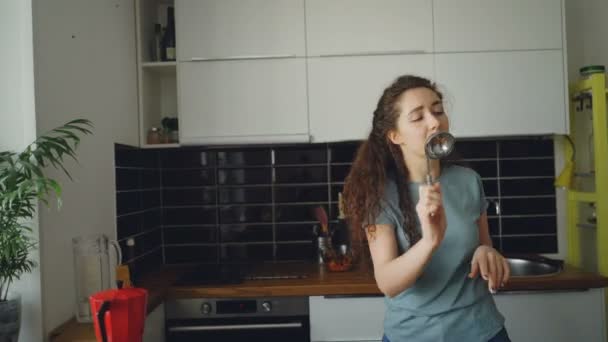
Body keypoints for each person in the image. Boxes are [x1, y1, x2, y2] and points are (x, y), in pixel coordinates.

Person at [343, 75, 511, 342]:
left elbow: (484, 245)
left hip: (482, 330)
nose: (435, 121)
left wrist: (486, 252)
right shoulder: (381, 196)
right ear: (395, 135)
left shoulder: (468, 180)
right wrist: (431, 240)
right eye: (418, 117)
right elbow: (387, 282)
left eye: (438, 110)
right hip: (413, 335)